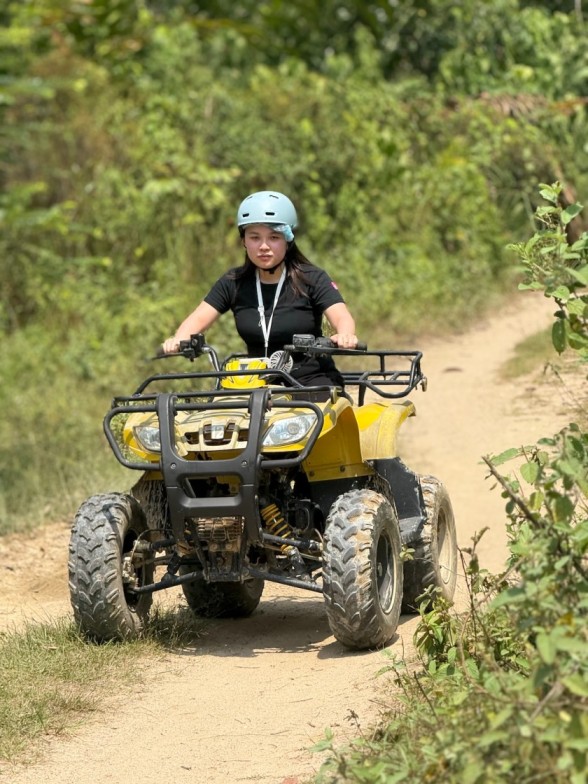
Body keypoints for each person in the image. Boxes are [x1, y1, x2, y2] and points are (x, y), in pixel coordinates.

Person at [162, 190, 358, 395]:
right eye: (255, 237)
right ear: (243, 241)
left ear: (288, 240)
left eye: (274, 237)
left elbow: (342, 317)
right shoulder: (233, 282)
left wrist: (345, 335)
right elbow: (198, 318)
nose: (263, 246)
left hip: (311, 381)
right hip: (254, 385)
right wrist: (179, 339)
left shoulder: (312, 278)